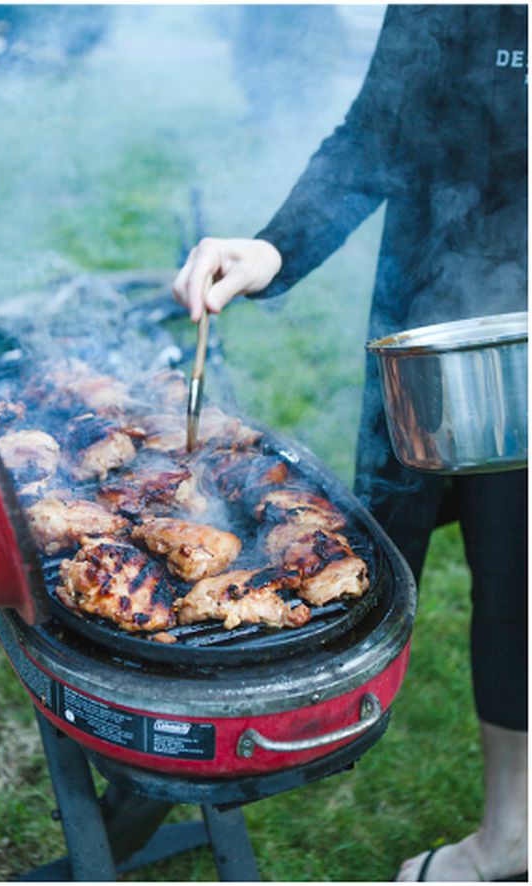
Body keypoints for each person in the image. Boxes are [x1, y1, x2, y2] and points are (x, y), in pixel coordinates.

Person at [173, 6, 526, 881]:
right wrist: (273, 248)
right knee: (383, 548)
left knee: (521, 572)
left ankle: (510, 838)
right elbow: (378, 130)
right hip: (428, 324)